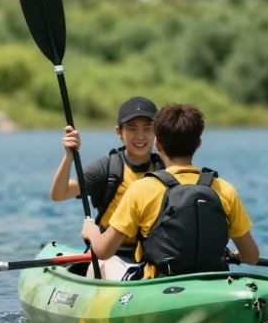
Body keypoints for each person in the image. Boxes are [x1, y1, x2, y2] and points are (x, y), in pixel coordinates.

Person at [81, 103, 259, 279]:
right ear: (198, 144)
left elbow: (104, 251)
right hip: (212, 281)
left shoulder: (142, 188)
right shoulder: (223, 188)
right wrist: (234, 255)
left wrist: (92, 231)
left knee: (105, 264)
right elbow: (251, 256)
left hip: (157, 285)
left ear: (158, 144)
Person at [50, 96, 163, 278]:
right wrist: (69, 157)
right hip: (109, 253)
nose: (140, 136)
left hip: (153, 255)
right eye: (132, 129)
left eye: (147, 129)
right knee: (107, 265)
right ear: (119, 132)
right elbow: (59, 194)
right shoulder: (108, 168)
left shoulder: (164, 168)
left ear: (156, 131)